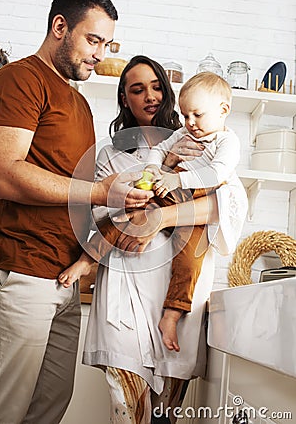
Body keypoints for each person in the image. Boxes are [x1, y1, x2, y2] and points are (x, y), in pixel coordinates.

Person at [58, 55, 248, 424]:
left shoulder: (205, 139)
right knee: (126, 407)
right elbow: (98, 218)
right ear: (123, 98)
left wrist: (159, 217)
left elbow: (225, 203)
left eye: (158, 86)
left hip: (176, 285)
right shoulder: (112, 153)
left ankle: (172, 317)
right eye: (137, 88)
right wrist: (160, 173)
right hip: (124, 287)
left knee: (165, 415)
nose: (150, 96)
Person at [0, 0, 153, 424]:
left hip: (65, 281)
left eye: (107, 43)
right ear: (59, 26)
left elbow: (75, 194)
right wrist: (105, 192)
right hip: (22, 272)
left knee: (49, 407)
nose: (100, 53)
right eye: (92, 39)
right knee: (5, 409)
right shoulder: (20, 79)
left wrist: (95, 248)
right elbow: (4, 173)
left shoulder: (80, 104)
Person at [144, 71, 241, 352]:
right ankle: (88, 259)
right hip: (174, 195)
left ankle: (171, 316)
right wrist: (153, 168)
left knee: (190, 262)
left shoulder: (227, 142)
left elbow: (216, 174)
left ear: (223, 110)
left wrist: (177, 179)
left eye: (197, 115)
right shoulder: (183, 132)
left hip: (197, 204)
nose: (189, 123)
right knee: (133, 212)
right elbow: (160, 150)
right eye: (185, 115)